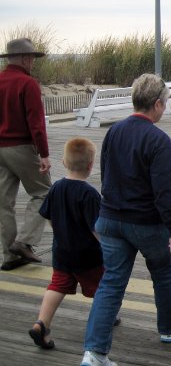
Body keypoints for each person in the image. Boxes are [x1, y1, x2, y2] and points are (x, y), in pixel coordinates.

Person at [80, 74, 171, 366]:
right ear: (156, 103)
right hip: (146, 223)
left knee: (112, 282)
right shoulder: (159, 140)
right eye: (164, 103)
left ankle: (94, 353)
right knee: (163, 273)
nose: (164, 108)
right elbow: (165, 192)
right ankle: (169, 328)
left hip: (111, 219)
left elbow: (107, 176)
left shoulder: (114, 132)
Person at [30, 137, 120, 350]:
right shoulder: (89, 194)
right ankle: (107, 318)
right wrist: (108, 249)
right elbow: (95, 228)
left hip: (61, 253)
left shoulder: (56, 188)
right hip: (88, 257)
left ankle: (41, 323)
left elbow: (48, 216)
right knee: (102, 289)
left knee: (57, 286)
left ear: (63, 162)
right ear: (91, 165)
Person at [0, 38, 51, 271]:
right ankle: (25, 242)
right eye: (31, 58)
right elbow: (36, 124)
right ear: (24, 58)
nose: (32, 62)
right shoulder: (27, 83)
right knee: (43, 193)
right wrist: (44, 154)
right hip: (21, 147)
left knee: (3, 203)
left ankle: (9, 256)